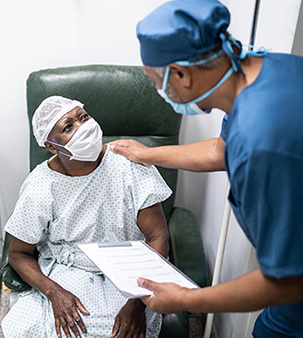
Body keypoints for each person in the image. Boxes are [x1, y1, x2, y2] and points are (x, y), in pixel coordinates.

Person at [109, 0, 303, 337]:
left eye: (156, 81)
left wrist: (188, 298)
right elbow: (219, 150)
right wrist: (149, 154)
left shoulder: (260, 139)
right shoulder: (270, 70)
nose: (158, 91)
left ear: (182, 74)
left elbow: (289, 281)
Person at [1, 96, 172, 338]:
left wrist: (136, 302)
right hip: (71, 270)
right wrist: (54, 293)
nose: (83, 127)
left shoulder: (128, 163)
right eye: (68, 127)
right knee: (33, 328)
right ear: (51, 145)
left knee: (115, 330)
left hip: (130, 270)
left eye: (83, 117)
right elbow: (18, 254)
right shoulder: (41, 185)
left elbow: (158, 237)